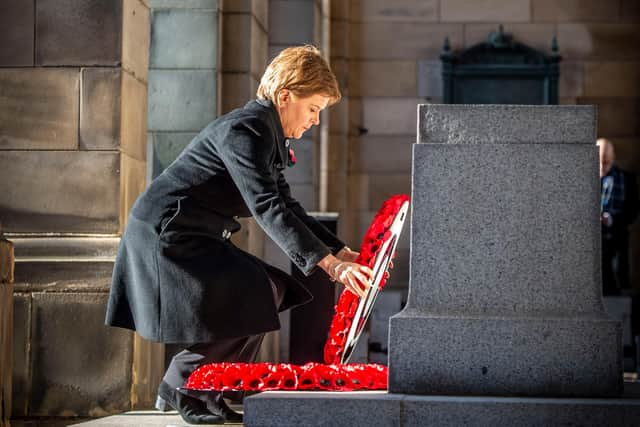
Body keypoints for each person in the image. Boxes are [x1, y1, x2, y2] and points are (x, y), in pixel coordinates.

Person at [105, 45, 373, 424]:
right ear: (285, 97)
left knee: (271, 289)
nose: (315, 121)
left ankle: (214, 387)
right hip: (167, 234)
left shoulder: (266, 133)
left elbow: (288, 205)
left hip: (197, 233)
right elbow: (267, 206)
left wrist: (342, 252)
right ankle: (185, 386)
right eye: (313, 109)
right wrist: (330, 266)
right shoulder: (245, 129)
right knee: (256, 290)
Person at [597, 138, 639, 295]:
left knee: (617, 277)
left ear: (613, 158)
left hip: (617, 234)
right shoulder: (582, 180)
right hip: (592, 237)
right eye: (599, 161)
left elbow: (633, 210)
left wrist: (612, 219)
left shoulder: (626, 179)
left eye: (606, 162)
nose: (602, 166)